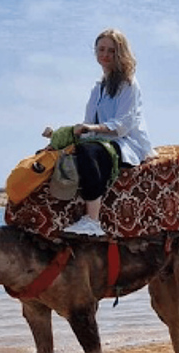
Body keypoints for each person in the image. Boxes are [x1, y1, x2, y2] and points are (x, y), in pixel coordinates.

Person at [59, 28, 155, 237]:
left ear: (120, 53)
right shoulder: (98, 88)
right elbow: (88, 122)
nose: (105, 54)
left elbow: (123, 124)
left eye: (111, 51)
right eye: (101, 49)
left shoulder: (129, 84)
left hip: (126, 142)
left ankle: (92, 221)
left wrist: (92, 129)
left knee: (89, 152)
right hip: (101, 138)